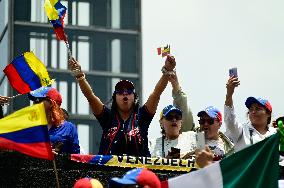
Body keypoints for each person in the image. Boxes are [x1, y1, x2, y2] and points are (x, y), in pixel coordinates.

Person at [68, 55, 175, 156]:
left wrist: (167, 71)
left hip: (137, 173)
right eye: (120, 91)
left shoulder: (142, 117)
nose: (125, 94)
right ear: (114, 98)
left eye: (129, 91)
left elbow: (157, 93)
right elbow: (90, 96)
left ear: (134, 97)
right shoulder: (107, 117)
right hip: (107, 173)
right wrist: (80, 76)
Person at [224, 76, 277, 151]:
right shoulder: (241, 130)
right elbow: (229, 120)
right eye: (251, 109)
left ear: (268, 114)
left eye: (258, 109)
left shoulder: (275, 133)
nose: (253, 112)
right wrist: (229, 94)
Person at [29, 86, 80, 154]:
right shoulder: (28, 127)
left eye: (38, 100)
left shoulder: (69, 128)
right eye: (34, 101)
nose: (34, 105)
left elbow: (75, 157)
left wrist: (59, 157)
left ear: (51, 103)